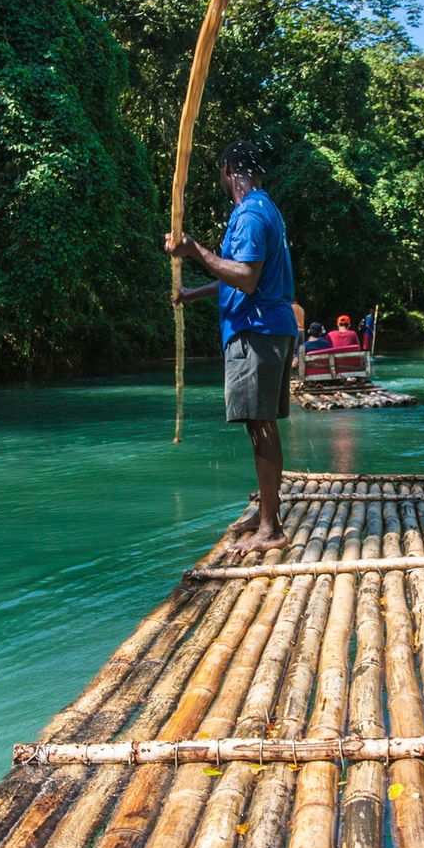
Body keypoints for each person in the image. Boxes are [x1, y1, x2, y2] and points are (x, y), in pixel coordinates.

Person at [165, 140, 298, 554]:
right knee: (259, 425)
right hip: (264, 328)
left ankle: (271, 529)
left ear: (227, 169)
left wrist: (195, 250)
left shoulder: (252, 214)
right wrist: (192, 294)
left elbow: (245, 277)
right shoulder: (261, 209)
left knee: (260, 425)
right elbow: (236, 275)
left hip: (257, 330)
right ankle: (266, 516)